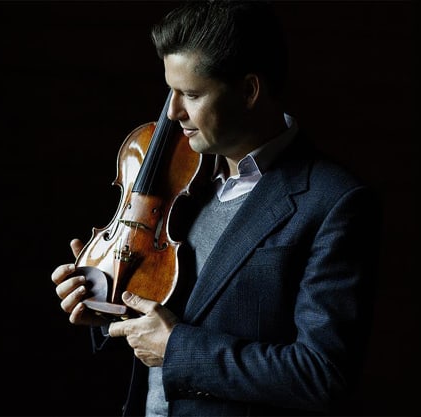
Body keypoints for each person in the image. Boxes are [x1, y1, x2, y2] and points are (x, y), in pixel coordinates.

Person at [51, 1, 382, 416]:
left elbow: (322, 373)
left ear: (248, 91)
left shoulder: (334, 202)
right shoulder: (183, 185)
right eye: (170, 91)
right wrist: (105, 303)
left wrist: (178, 349)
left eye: (190, 94)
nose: (172, 114)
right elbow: (168, 317)